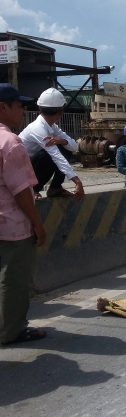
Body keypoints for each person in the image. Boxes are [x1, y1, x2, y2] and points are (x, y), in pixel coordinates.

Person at [0, 84, 47, 344]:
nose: (22, 110)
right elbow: (19, 190)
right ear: (2, 107)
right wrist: (37, 224)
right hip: (12, 226)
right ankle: (10, 331)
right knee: (13, 280)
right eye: (18, 105)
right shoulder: (10, 142)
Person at [19, 88, 84, 201]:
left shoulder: (52, 127)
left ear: (40, 108)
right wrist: (77, 181)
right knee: (47, 154)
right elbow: (56, 156)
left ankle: (55, 187)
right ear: (61, 112)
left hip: (27, 170)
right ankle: (32, 189)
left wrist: (62, 141)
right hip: (20, 174)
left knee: (64, 146)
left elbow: (74, 146)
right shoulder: (37, 128)